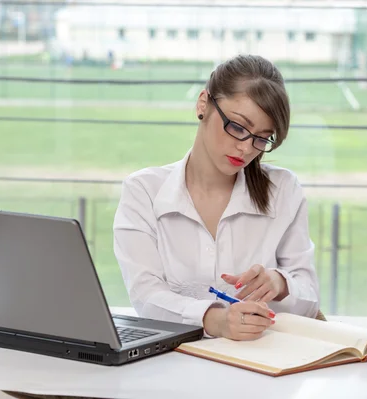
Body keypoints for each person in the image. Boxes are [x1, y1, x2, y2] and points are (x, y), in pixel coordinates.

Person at [113, 54, 320, 341]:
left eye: (262, 138)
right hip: (172, 368)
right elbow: (145, 296)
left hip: (262, 368)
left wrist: (280, 283)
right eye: (237, 127)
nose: (246, 148)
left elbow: (310, 299)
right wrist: (215, 320)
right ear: (203, 104)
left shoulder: (283, 189)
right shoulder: (144, 191)